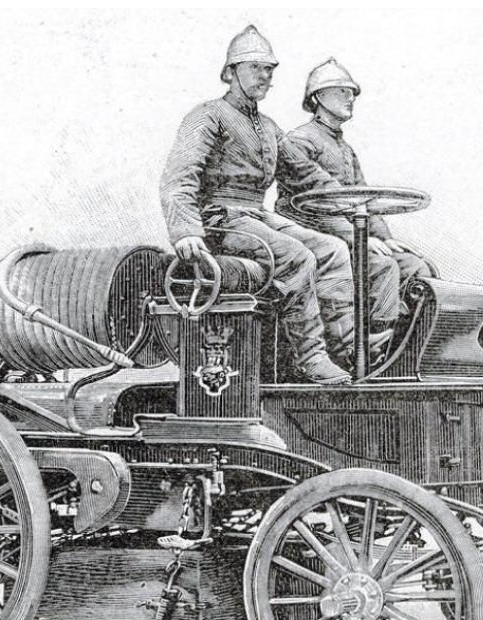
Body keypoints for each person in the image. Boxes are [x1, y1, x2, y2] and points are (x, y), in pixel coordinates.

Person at [159, 26, 399, 384]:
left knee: (333, 249)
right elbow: (180, 176)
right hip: (218, 220)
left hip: (256, 215)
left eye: (269, 69)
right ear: (230, 72)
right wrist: (185, 232)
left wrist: (356, 205)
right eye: (255, 68)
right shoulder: (208, 116)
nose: (265, 76)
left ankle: (347, 347)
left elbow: (307, 174)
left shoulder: (269, 127)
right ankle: (310, 358)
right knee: (297, 256)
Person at [276, 58, 432, 296]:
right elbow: (319, 207)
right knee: (382, 266)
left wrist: (384, 238)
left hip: (351, 236)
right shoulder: (298, 141)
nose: (350, 98)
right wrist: (358, 239)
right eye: (342, 91)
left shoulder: (346, 150)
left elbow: (365, 198)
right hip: (316, 239)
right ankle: (373, 322)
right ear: (319, 97)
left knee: (417, 267)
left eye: (352, 93)